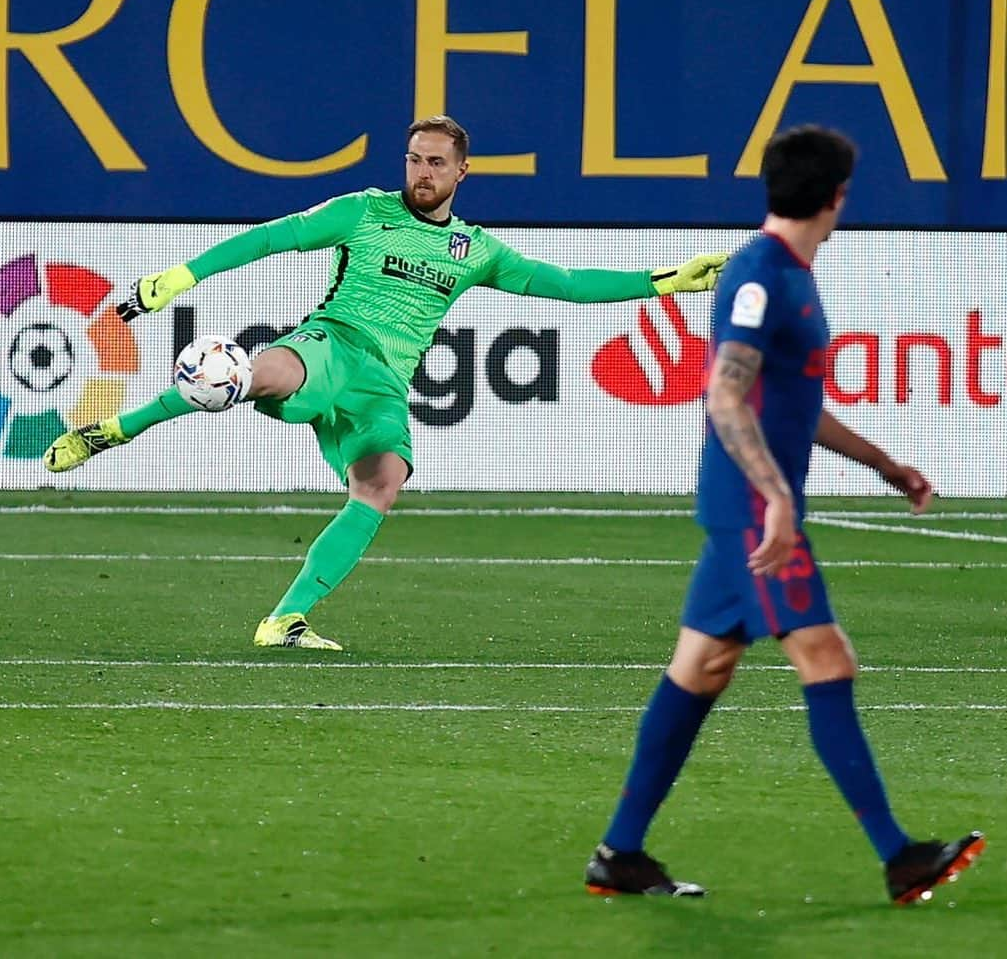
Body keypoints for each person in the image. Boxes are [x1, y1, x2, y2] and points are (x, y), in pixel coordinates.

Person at [43, 115, 728, 652]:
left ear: (463, 170)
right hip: (331, 343)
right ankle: (113, 429)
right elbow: (269, 239)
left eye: (435, 162)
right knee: (256, 372)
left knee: (382, 481)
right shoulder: (364, 211)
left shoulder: (474, 249)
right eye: (413, 159)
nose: (422, 172)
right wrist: (178, 278)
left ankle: (285, 618)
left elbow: (568, 285)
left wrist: (666, 280)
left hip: (384, 385)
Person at [584, 124, 985, 905]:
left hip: (747, 508)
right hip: (751, 513)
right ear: (836, 197)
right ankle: (899, 856)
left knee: (700, 668)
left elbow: (792, 404)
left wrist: (882, 463)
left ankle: (619, 853)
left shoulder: (784, 271)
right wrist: (772, 500)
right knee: (826, 660)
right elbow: (725, 394)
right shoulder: (762, 274)